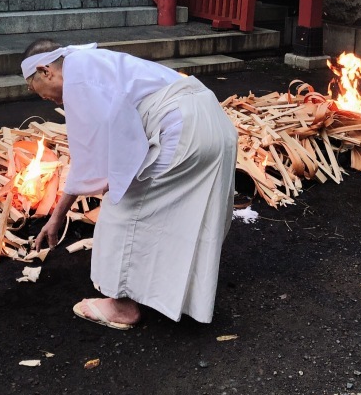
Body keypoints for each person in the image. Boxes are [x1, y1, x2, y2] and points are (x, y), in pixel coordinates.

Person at [23, 39, 237, 328]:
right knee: (185, 213)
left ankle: (122, 308)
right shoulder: (94, 64)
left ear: (45, 70)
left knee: (122, 213)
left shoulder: (78, 77)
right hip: (215, 123)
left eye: (41, 93)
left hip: (183, 129)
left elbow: (91, 157)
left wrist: (58, 215)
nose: (50, 101)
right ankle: (181, 295)